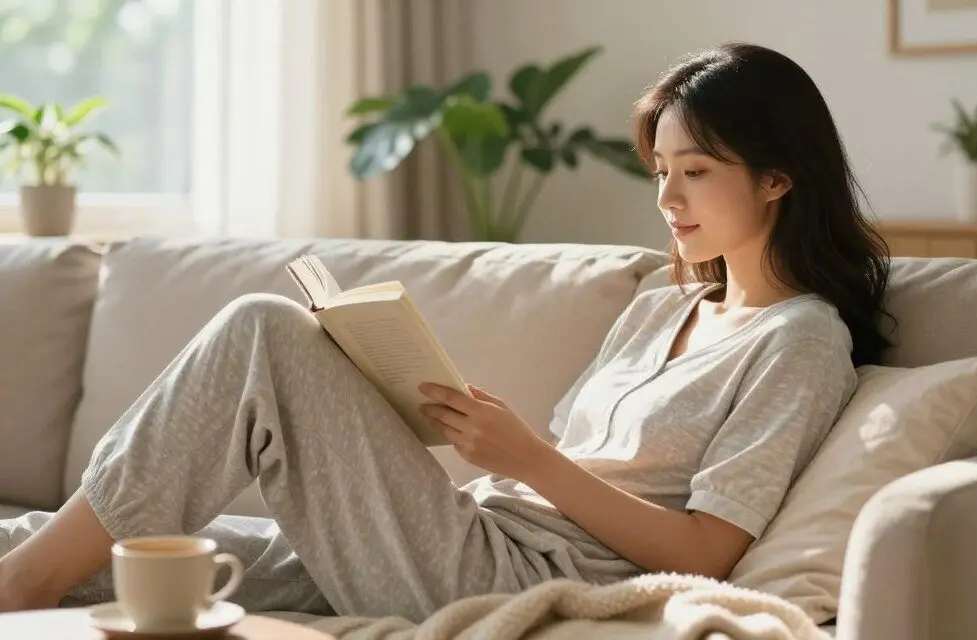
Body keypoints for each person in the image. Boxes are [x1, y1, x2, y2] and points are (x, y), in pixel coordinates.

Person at [0, 42, 890, 623]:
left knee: (261, 333)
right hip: (468, 530)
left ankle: (23, 591)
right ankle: (29, 570)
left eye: (695, 171)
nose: (667, 198)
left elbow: (710, 550)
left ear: (777, 178)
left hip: (515, 578)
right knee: (124, 551)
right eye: (660, 170)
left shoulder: (800, 342)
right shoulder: (662, 305)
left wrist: (529, 458)